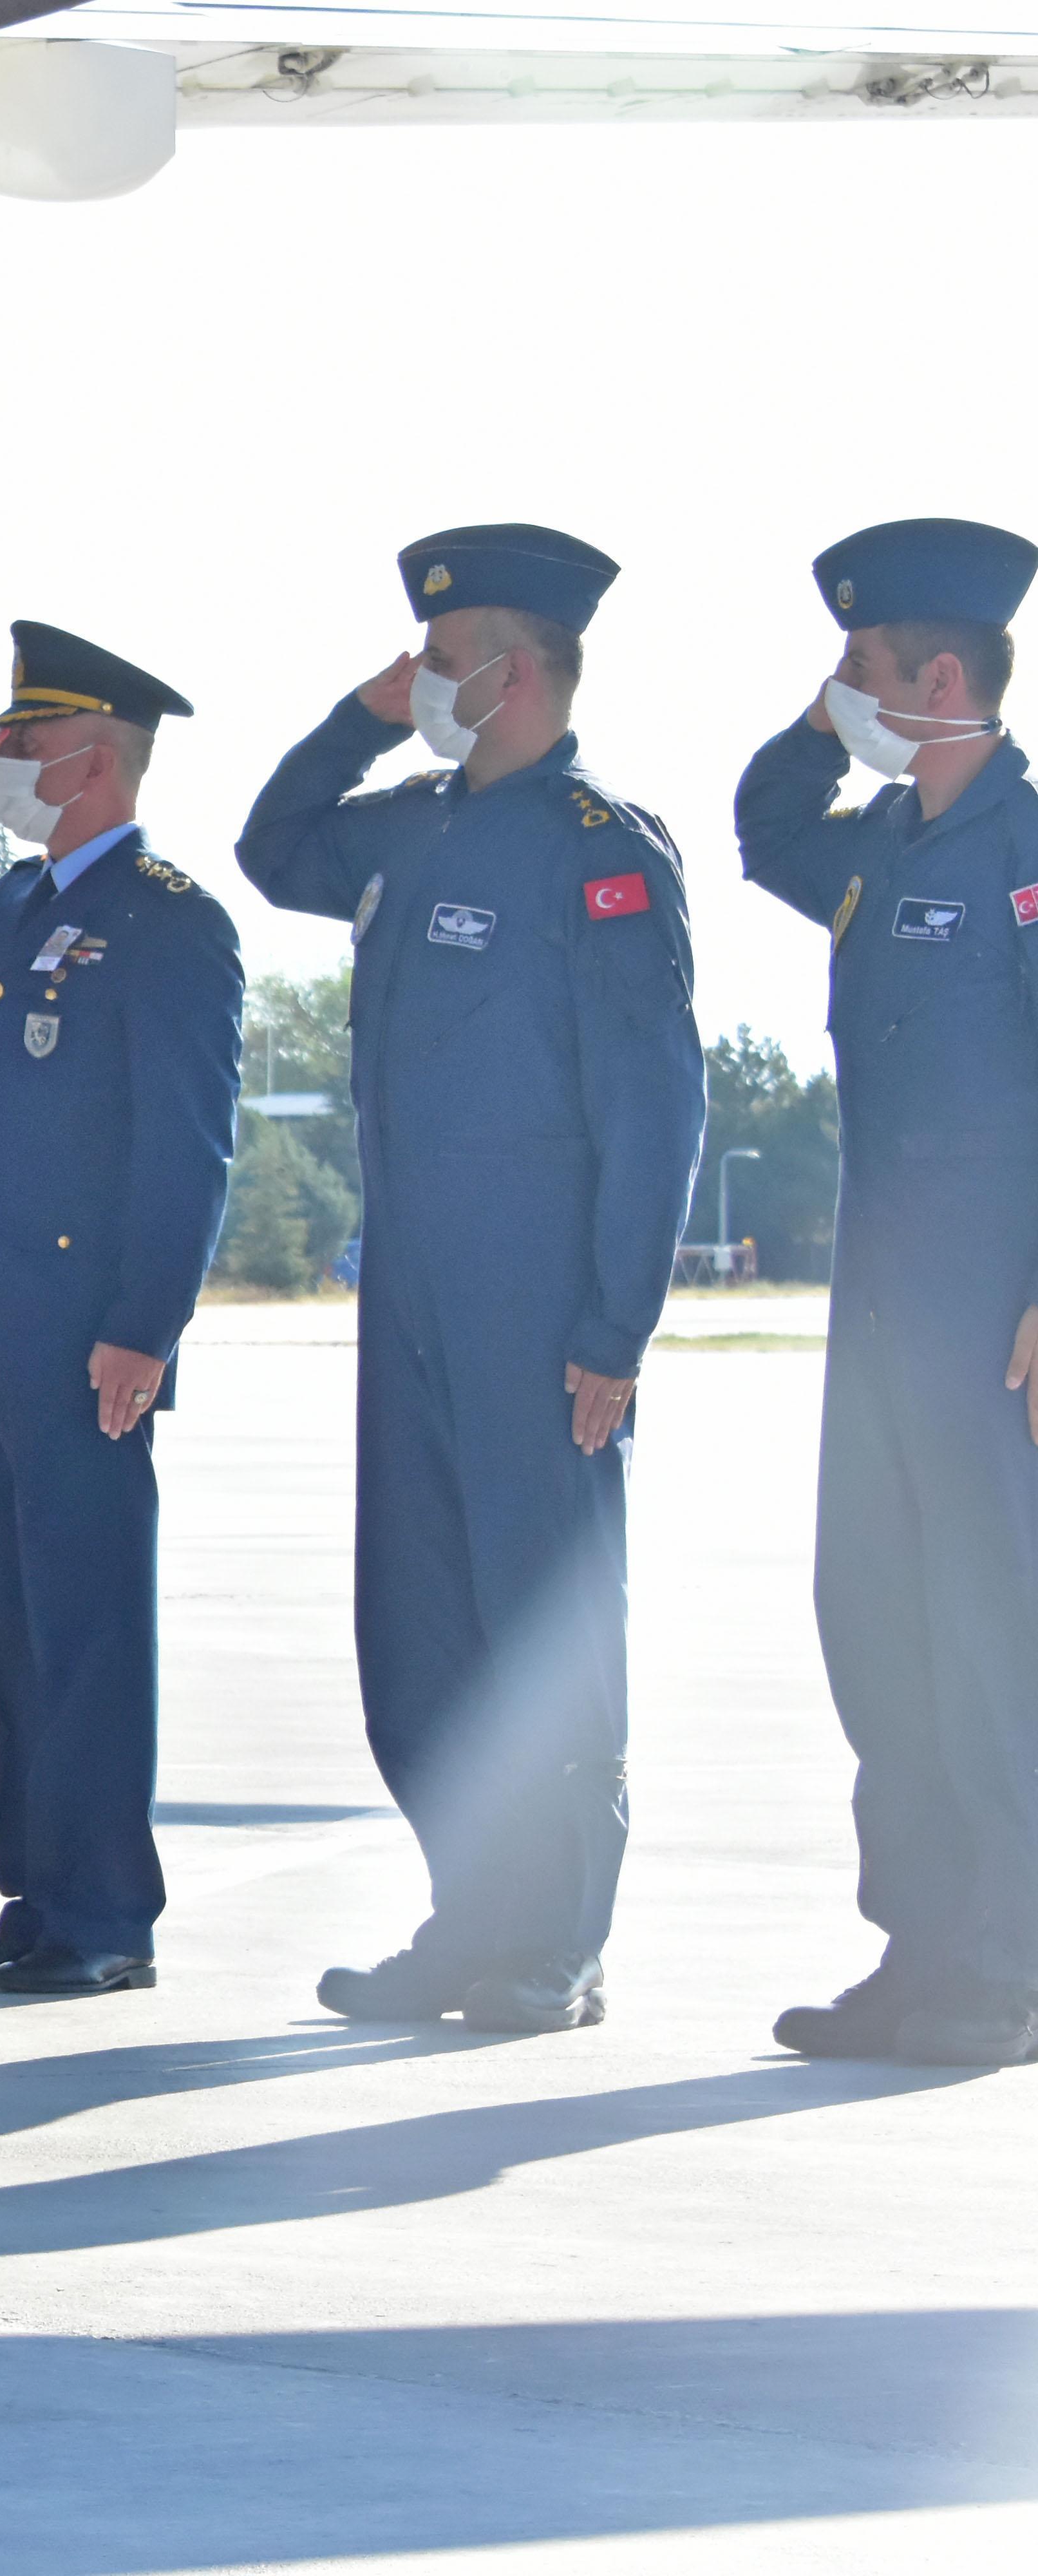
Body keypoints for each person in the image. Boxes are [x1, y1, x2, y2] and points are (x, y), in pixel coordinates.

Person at [236, 526, 704, 2038]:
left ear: (513, 671)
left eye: (438, 663)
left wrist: (612, 1323)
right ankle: (467, 1916)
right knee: (421, 1623)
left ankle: (555, 1945)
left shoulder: (601, 852)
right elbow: (272, 845)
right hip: (415, 1292)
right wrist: (364, 716)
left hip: (535, 1297)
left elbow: (656, 1107)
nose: (418, 678)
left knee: (540, 1624)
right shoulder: (405, 827)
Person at [0, 622, 243, 2000]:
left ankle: (105, 1911)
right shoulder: (19, 906)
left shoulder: (170, 918)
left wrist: (147, 1323)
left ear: (92, 756)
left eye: (21, 741)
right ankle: (39, 1895)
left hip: (85, 1337)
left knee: (84, 1628)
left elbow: (186, 1143)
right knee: (13, 1630)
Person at [735, 518, 1038, 2070]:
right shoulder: (879, 847)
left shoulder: (1026, 852)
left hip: (1000, 1306)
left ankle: (1007, 1964)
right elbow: (765, 818)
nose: (834, 692)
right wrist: (819, 721)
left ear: (936, 672)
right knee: (881, 1617)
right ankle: (921, 1950)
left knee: (995, 1632)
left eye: (854, 667)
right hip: (882, 1292)